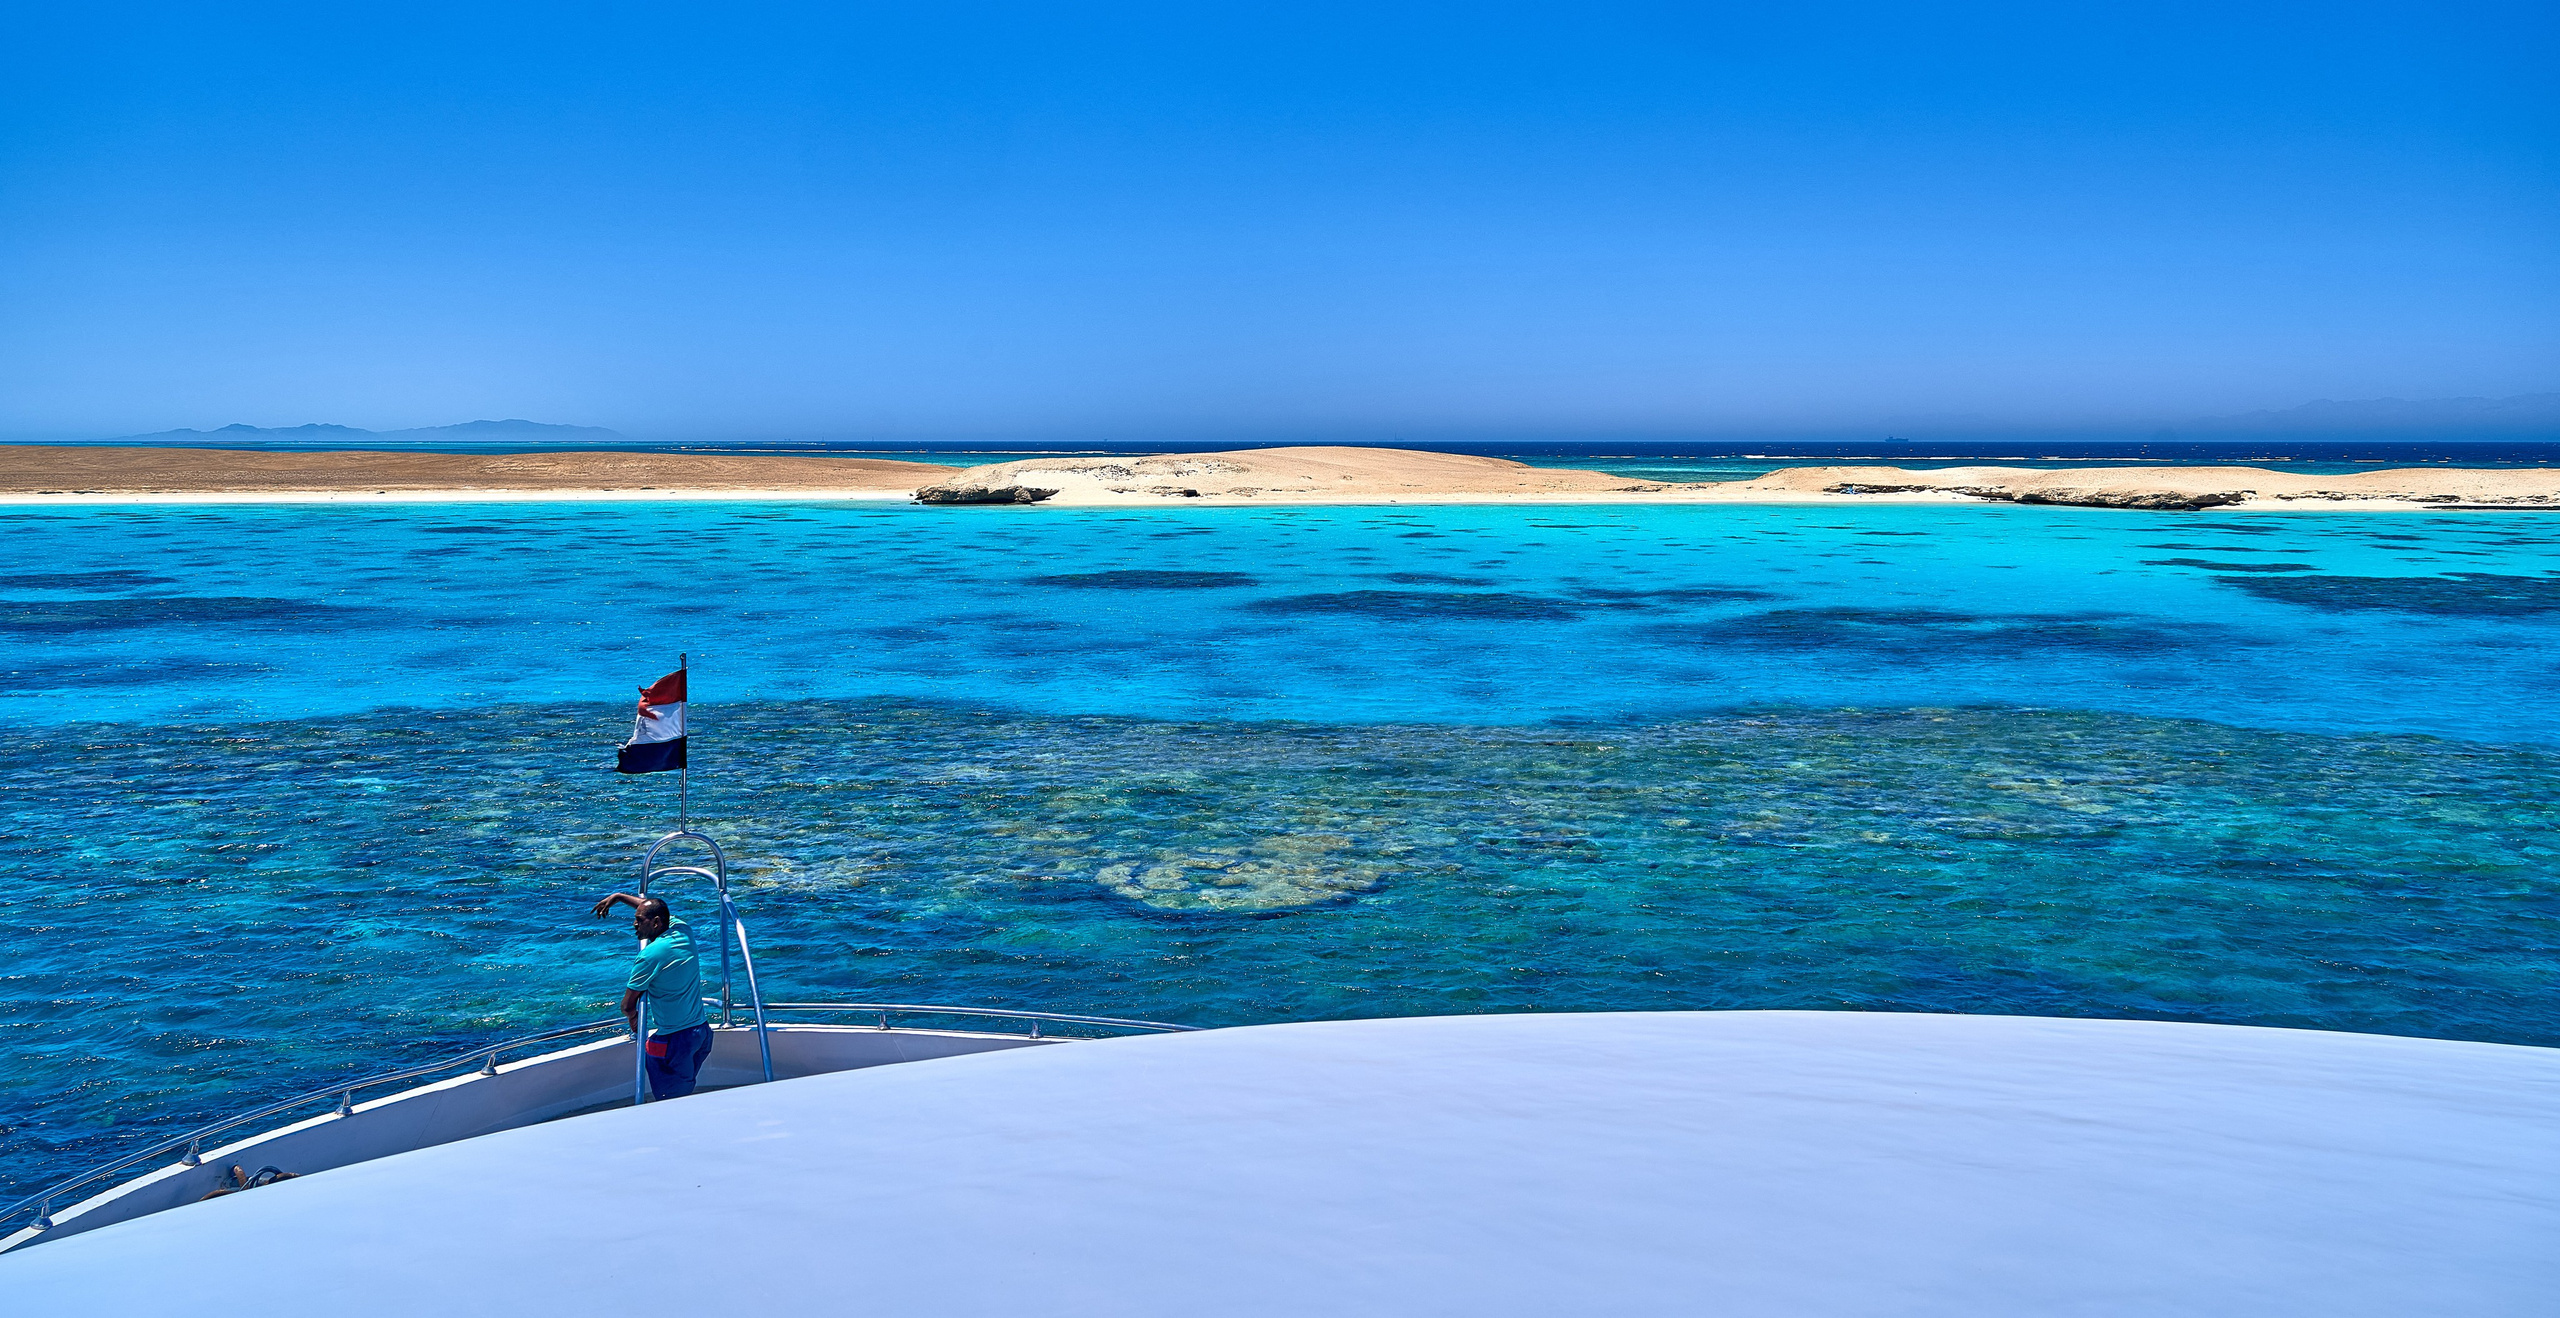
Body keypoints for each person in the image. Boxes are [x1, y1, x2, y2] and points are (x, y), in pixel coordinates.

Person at [591, 891, 714, 1099]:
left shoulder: (649, 956)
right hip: (701, 1034)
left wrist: (634, 1022)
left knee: (670, 1102)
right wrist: (619, 897)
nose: (634, 925)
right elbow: (651, 907)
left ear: (656, 923)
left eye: (639, 920)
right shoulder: (683, 931)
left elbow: (628, 1005)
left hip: (674, 1042)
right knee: (683, 1092)